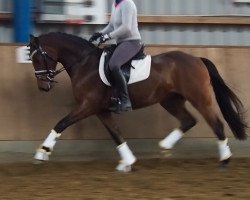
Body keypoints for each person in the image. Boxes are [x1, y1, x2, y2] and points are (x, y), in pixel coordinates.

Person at [89, 0, 142, 113]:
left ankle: (125, 101)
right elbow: (112, 25)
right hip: (121, 43)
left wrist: (108, 36)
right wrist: (100, 33)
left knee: (114, 64)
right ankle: (113, 97)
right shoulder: (115, 4)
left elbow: (126, 28)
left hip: (132, 42)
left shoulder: (127, 3)